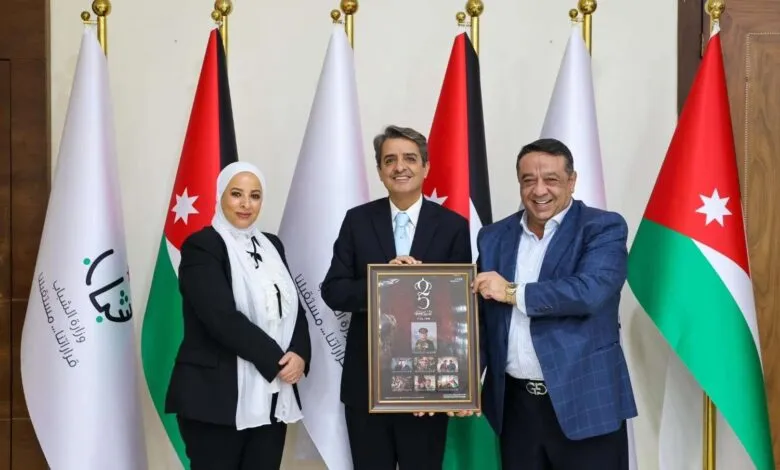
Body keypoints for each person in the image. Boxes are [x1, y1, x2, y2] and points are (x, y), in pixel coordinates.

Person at [473, 138, 636, 470]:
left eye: (551, 179)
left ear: (572, 181)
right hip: (515, 409)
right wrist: (456, 383)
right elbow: (482, 318)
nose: (539, 190)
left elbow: (588, 292)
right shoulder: (493, 236)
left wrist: (511, 292)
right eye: (528, 180)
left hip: (585, 403)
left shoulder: (603, 228)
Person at [321, 125, 471, 470]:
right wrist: (383, 282)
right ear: (379, 171)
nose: (399, 167)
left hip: (426, 385)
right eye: (390, 160)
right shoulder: (357, 221)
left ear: (426, 167)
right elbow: (334, 289)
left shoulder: (452, 226)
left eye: (409, 158)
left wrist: (449, 384)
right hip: (367, 384)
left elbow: (460, 309)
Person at [165, 162, 311, 470]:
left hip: (271, 399)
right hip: (214, 398)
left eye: (255, 196)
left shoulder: (273, 245)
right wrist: (277, 361)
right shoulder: (201, 247)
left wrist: (299, 354)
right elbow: (221, 318)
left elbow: (291, 305)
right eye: (236, 194)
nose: (246, 204)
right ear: (220, 196)